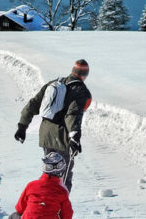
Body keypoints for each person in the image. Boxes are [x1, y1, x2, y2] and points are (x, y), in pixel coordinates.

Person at [14, 59, 92, 191]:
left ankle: (44, 207)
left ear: (73, 71)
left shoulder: (55, 83)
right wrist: (74, 137)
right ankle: (59, 210)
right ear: (85, 75)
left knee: (49, 175)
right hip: (62, 138)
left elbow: (33, 104)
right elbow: (72, 115)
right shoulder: (80, 91)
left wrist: (22, 126)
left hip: (46, 136)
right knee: (63, 178)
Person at [8, 152, 85, 219]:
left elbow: (19, 209)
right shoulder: (61, 191)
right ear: (61, 171)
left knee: (12, 218)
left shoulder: (31, 185)